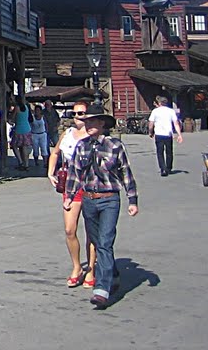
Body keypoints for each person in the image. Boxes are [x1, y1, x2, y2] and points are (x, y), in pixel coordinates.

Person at [63, 104, 139, 309]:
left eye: (92, 121)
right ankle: (112, 272)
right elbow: (74, 174)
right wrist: (69, 196)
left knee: (105, 241)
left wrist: (132, 200)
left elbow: (126, 173)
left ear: (102, 123)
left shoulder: (114, 146)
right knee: (96, 240)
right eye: (85, 121)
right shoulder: (82, 146)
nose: (87, 125)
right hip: (89, 199)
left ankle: (102, 289)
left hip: (109, 199)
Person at [48, 101, 96, 289]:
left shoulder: (94, 136)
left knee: (92, 230)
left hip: (91, 184)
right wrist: (50, 172)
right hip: (70, 184)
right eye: (75, 113)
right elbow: (55, 152)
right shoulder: (67, 134)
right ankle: (77, 267)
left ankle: (91, 268)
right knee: (70, 229)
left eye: (82, 113)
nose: (79, 117)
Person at [148, 96, 183, 176]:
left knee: (160, 152)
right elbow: (176, 123)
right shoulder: (171, 111)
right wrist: (179, 134)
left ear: (159, 103)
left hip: (159, 134)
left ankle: (163, 168)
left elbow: (151, 123)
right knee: (169, 151)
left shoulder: (155, 111)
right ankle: (169, 167)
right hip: (168, 134)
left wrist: (151, 132)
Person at [11, 99, 33, 171]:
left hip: (19, 129)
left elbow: (13, 118)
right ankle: (26, 164)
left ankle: (20, 162)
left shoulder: (16, 108)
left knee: (14, 145)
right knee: (24, 147)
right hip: (27, 129)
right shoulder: (26, 107)